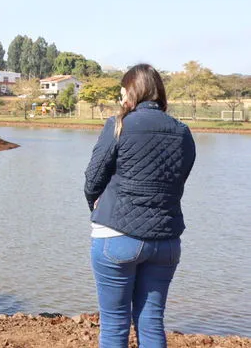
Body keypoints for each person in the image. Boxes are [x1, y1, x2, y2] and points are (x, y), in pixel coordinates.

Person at [84, 64, 196, 348]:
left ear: (133, 91)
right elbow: (178, 181)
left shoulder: (118, 124)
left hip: (116, 236)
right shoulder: (183, 132)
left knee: (114, 324)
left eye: (123, 92)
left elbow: (93, 179)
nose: (121, 98)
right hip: (165, 242)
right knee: (151, 320)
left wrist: (95, 207)